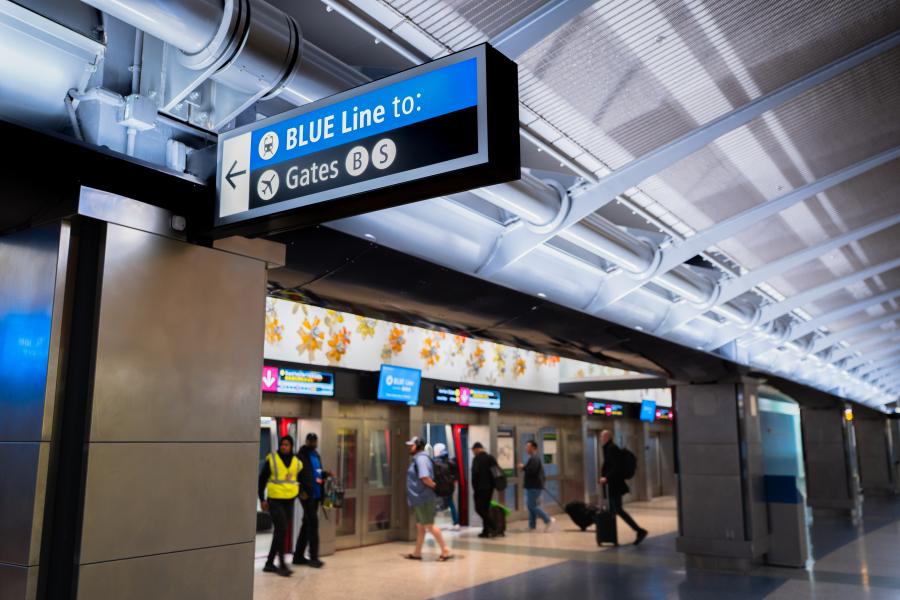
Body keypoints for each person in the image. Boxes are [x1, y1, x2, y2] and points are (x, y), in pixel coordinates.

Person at [258, 435, 302, 576]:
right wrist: (262, 499)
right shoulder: (272, 459)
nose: (284, 446)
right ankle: (282, 564)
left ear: (291, 446)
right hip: (275, 500)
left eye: (287, 444)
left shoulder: (297, 462)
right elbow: (262, 479)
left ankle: (269, 563)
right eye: (282, 444)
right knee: (281, 529)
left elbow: (299, 478)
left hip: (289, 500)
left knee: (280, 530)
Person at [405, 436, 452, 561]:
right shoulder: (418, 459)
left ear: (418, 446)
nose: (410, 447)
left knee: (429, 526)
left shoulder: (421, 460)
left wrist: (435, 487)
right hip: (419, 498)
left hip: (423, 498)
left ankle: (445, 550)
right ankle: (417, 552)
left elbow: (425, 477)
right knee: (421, 526)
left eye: (412, 445)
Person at [599, 430, 648, 545]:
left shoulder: (611, 448)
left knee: (618, 510)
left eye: (601, 436)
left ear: (607, 437)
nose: (600, 438)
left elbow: (616, 467)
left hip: (615, 485)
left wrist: (606, 477)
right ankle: (611, 537)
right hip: (613, 485)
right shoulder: (609, 448)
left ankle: (639, 531)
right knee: (613, 511)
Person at [293, 433, 328, 568]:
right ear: (307, 441)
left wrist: (326, 474)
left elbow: (317, 473)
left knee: (306, 524)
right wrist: (301, 491)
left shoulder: (316, 455)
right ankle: (314, 557)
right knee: (313, 524)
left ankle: (298, 556)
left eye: (315, 441)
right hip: (307, 495)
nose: (313, 443)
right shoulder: (300, 456)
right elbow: (297, 475)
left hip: (317, 495)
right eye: (311, 441)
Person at [519, 440, 555, 531]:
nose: (526, 448)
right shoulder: (533, 458)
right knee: (531, 505)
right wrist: (524, 468)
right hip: (533, 485)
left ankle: (547, 519)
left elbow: (532, 471)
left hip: (534, 486)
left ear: (534, 448)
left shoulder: (534, 458)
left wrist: (523, 467)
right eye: (526, 447)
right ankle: (532, 526)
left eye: (528, 447)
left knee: (532, 506)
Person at [470, 442, 499, 538]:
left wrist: (474, 488)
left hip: (480, 489)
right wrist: (494, 485)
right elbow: (496, 473)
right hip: (489, 488)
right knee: (485, 509)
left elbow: (475, 475)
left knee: (479, 509)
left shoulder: (477, 459)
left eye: (473, 450)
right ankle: (486, 531)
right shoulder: (490, 458)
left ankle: (494, 526)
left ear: (477, 449)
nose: (473, 452)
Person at [432, 443, 460, 530]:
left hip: (438, 488)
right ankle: (456, 523)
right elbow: (456, 476)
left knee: (433, 505)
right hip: (449, 488)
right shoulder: (451, 461)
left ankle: (430, 523)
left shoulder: (435, 462)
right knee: (451, 504)